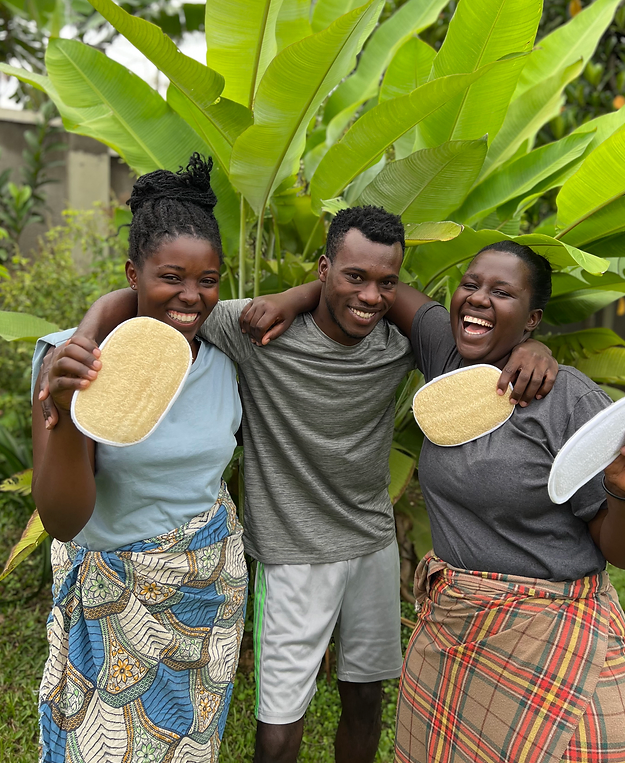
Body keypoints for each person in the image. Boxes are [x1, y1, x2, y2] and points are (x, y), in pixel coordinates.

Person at [38, 207, 560, 763]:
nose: (370, 294)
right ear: (324, 268)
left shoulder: (400, 343)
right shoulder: (256, 331)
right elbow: (157, 299)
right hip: (292, 554)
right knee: (281, 724)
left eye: (386, 282)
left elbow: (441, 322)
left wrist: (538, 347)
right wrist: (89, 334)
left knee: (366, 702)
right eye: (352, 276)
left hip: (372, 543)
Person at [385, 241, 625, 763]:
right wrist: (297, 295)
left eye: (502, 292)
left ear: (533, 318)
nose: (478, 299)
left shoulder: (569, 402)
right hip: (453, 633)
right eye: (470, 285)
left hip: (550, 639)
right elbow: (377, 281)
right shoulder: (446, 358)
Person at [32, 155, 249, 763]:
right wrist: (76, 409)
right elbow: (62, 518)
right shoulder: (68, 362)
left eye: (208, 280)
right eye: (171, 276)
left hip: (208, 594)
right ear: (134, 272)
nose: (191, 295)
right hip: (113, 603)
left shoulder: (224, 360)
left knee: (188, 745)